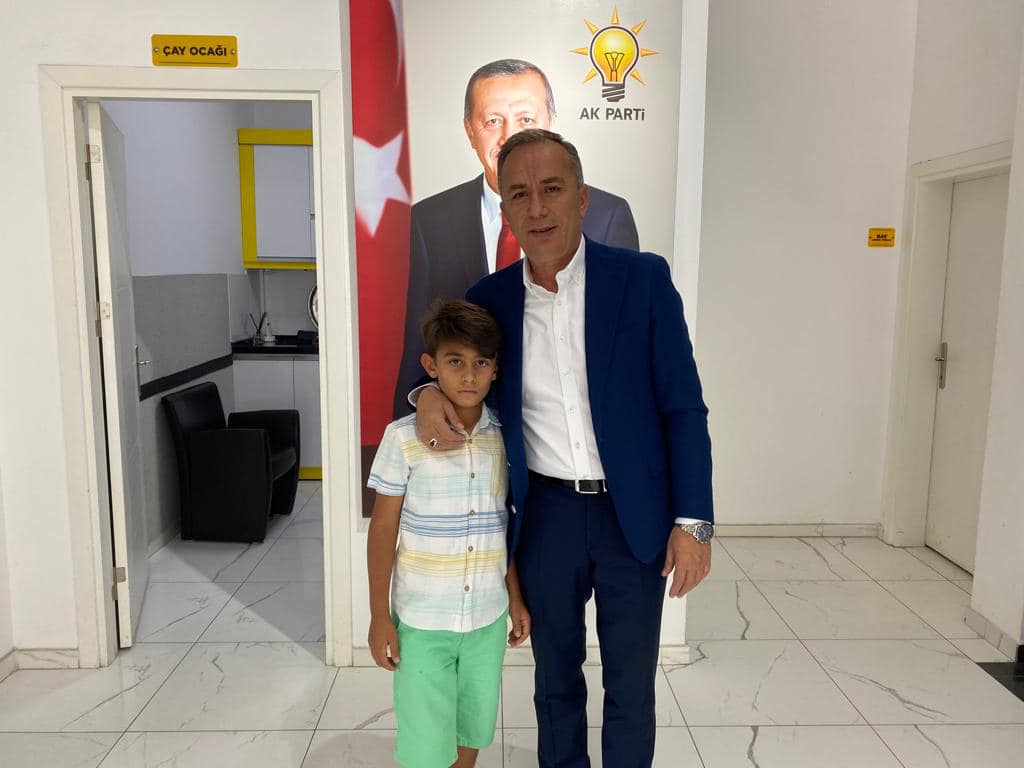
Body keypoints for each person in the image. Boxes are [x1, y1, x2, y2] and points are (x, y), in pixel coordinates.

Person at [414, 130, 714, 767]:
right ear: (504, 208)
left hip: (633, 519)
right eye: (519, 194)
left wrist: (693, 522)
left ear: (582, 198)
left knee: (630, 684)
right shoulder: (490, 298)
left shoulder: (642, 280)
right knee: (554, 683)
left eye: (551, 189)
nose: (537, 207)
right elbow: (459, 373)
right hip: (545, 518)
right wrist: (426, 395)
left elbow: (684, 407)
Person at [393, 58, 639, 418]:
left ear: (550, 122)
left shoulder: (608, 215)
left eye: (526, 119)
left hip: (573, 432)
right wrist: (419, 402)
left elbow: (630, 347)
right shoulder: (430, 219)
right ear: (469, 130)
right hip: (470, 431)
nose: (509, 137)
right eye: (493, 121)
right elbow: (420, 341)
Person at [366, 300, 532, 768]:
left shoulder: (504, 440)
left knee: (472, 728)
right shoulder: (403, 438)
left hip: (486, 619)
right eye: (455, 361)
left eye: (481, 363)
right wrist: (379, 615)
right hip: (423, 621)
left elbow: (503, 526)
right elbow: (383, 528)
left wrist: (515, 599)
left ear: (496, 369)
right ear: (431, 365)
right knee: (425, 744)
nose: (468, 375)